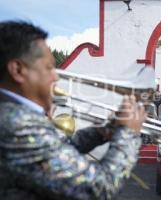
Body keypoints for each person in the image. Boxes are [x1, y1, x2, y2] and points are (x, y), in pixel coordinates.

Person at [0, 21, 146, 199]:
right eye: (48, 67)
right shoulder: (17, 124)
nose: (55, 76)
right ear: (17, 70)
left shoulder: (13, 116)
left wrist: (100, 133)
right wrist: (128, 133)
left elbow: (54, 152)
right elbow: (99, 188)